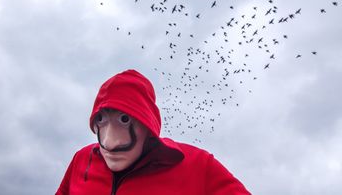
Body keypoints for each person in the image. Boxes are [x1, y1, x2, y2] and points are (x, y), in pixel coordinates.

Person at [56, 69, 250, 195]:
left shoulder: (198, 164)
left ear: (147, 124)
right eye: (101, 120)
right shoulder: (81, 159)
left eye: (124, 119)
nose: (110, 142)